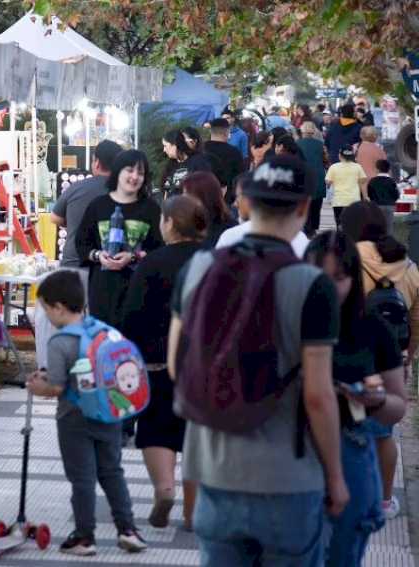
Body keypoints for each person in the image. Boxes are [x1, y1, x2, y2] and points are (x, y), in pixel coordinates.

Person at [168, 156, 347, 565]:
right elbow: (318, 396)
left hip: (215, 472)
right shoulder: (311, 284)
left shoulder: (197, 268)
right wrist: (336, 477)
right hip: (289, 477)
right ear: (303, 207)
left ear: (245, 201)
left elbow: (180, 366)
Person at [26, 270, 148, 555]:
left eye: (45, 310)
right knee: (112, 472)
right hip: (111, 414)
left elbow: (55, 386)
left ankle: (84, 536)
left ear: (57, 307)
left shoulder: (60, 341)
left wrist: (36, 386)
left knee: (82, 478)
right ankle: (128, 529)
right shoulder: (104, 331)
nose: (46, 317)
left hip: (74, 418)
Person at [304, 231, 406, 566]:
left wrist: (375, 399)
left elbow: (397, 407)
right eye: (319, 277)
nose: (329, 287)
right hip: (294, 453)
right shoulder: (286, 322)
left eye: (339, 278)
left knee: (344, 556)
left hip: (353, 447)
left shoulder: (372, 328)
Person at [121, 195, 207, 531]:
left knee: (157, 426)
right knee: (197, 437)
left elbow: (132, 314)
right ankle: (192, 510)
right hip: (203, 363)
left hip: (157, 360)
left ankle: (164, 489)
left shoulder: (152, 262)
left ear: (170, 223)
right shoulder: (214, 260)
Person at [341, 201, 419, 520]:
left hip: (352, 357)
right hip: (393, 360)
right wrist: (408, 356)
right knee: (385, 434)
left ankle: (345, 494)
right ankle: (384, 501)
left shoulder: (346, 259)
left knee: (347, 428)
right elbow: (416, 318)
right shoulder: (409, 266)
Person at [77, 150, 163, 326]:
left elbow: (160, 249)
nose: (135, 176)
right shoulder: (98, 206)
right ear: (118, 171)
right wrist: (98, 255)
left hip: (139, 293)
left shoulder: (151, 209)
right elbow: (81, 244)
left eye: (140, 172)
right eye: (130, 170)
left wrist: (133, 256)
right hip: (102, 293)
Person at [52, 140, 123, 274]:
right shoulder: (126, 192)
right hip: (112, 265)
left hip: (74, 264)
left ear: (96, 163)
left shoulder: (76, 187)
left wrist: (74, 222)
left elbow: (55, 218)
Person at [217, 173, 310, 257]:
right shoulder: (300, 238)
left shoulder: (231, 236)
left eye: (239, 196)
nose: (236, 203)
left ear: (250, 198)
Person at [180, 172, 235, 248]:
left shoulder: (229, 231)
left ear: (203, 196)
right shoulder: (186, 227)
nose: (182, 198)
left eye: (186, 193)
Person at [202, 118, 245, 204]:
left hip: (202, 196)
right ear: (227, 132)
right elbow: (239, 177)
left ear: (211, 131)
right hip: (226, 199)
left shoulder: (201, 149)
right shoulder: (234, 152)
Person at [298, 121, 329, 236]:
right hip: (318, 176)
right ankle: (314, 227)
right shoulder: (320, 144)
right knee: (317, 205)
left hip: (303, 176)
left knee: (305, 203)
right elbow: (326, 161)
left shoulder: (297, 144)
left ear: (302, 131)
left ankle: (306, 227)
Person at [161, 129, 213, 197]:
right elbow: (166, 190)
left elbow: (206, 187)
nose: (164, 150)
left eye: (165, 146)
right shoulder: (171, 165)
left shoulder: (198, 162)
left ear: (175, 145)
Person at [326, 145, 368, 227]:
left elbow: (328, 182)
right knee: (353, 224)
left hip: (338, 201)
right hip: (354, 200)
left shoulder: (334, 167)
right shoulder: (357, 167)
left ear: (340, 155)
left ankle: (341, 239)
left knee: (339, 224)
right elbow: (362, 183)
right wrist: (366, 197)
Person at [367, 159, 400, 230]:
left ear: (377, 169)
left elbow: (369, 194)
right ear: (388, 169)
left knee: (376, 229)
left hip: (376, 206)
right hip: (389, 207)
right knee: (388, 228)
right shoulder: (391, 181)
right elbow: (396, 195)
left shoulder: (372, 181)